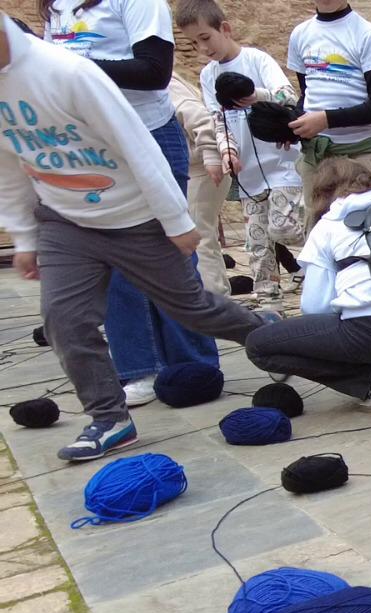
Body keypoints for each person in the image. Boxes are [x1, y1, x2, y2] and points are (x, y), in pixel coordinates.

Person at [0, 15, 273, 461]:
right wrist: (25, 236)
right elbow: (8, 162)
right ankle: (110, 418)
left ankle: (273, 336)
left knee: (192, 308)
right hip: (63, 219)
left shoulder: (69, 72)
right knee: (63, 321)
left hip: (134, 216)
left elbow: (138, 144)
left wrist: (176, 220)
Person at [43, 0, 219, 408]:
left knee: (169, 252)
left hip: (148, 134)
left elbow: (154, 72)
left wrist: (73, 66)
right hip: (89, 144)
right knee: (110, 255)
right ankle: (139, 368)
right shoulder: (56, 6)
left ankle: (194, 364)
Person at [246, 159, 371, 410]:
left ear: (322, 192)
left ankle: (370, 380)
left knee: (259, 346)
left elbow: (315, 306)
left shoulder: (329, 224)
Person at [180, 0, 306, 308]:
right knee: (258, 245)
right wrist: (226, 152)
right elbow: (218, 120)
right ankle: (270, 305)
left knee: (284, 227)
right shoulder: (208, 76)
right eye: (194, 43)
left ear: (225, 28)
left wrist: (255, 97)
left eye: (205, 38)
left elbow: (287, 95)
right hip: (249, 174)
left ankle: (318, 267)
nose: (202, 48)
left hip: (281, 164)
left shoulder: (256, 60)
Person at [286, 0, 371, 228]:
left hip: (361, 153)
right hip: (316, 158)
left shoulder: (366, 34)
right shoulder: (300, 34)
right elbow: (308, 97)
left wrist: (326, 120)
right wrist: (290, 127)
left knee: (370, 231)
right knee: (317, 232)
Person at [168, 75, 228, 296]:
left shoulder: (166, 84)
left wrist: (211, 153)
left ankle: (212, 302)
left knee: (197, 237)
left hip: (200, 168)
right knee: (204, 235)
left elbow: (199, 117)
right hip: (196, 166)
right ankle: (218, 299)